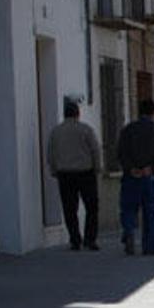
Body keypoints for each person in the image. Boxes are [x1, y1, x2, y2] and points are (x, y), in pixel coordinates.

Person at [47, 100, 102, 251]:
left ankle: (75, 239)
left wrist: (53, 170)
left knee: (69, 208)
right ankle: (90, 239)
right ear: (78, 114)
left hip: (65, 174)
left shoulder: (56, 132)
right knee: (91, 206)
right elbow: (95, 150)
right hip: (85, 173)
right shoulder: (86, 130)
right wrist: (97, 168)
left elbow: (50, 153)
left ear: (65, 115)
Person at [117, 99, 154, 256]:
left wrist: (131, 168)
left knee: (129, 208)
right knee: (152, 211)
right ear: (153, 112)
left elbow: (120, 152)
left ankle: (129, 232)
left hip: (131, 177)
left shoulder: (128, 130)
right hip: (151, 177)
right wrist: (151, 169)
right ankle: (151, 246)